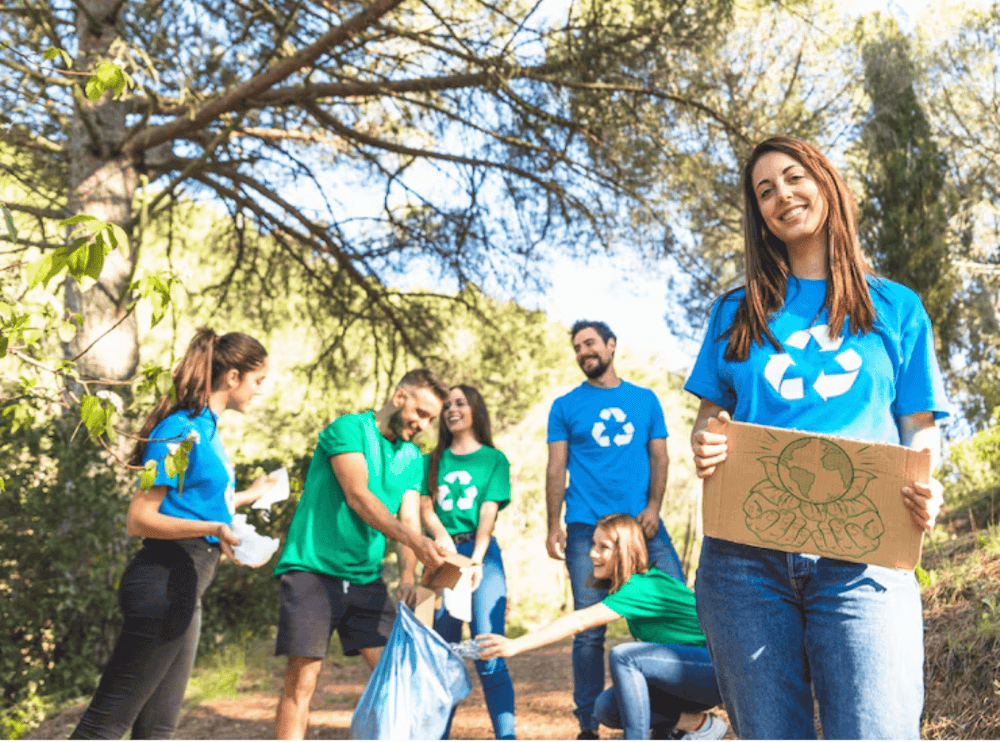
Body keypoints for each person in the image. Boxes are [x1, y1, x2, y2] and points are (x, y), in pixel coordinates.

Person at [686, 136, 949, 739]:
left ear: (825, 181)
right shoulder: (735, 311)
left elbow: (919, 426)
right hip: (744, 559)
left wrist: (924, 486)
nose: (783, 195)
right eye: (765, 191)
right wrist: (707, 441)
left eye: (794, 177)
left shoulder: (896, 307)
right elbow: (710, 416)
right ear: (759, 215)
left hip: (864, 552)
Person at [72, 328, 274, 740]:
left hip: (186, 587)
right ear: (232, 377)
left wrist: (250, 497)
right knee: (106, 724)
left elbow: (199, 506)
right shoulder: (180, 428)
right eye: (258, 381)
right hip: (161, 582)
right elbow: (141, 518)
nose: (260, 392)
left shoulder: (209, 431)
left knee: (158, 729)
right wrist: (215, 528)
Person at [272, 368, 451, 740]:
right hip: (312, 571)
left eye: (430, 420)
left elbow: (408, 520)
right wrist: (417, 544)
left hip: (366, 579)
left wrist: (406, 577)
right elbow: (359, 496)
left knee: (396, 678)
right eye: (420, 412)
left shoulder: (410, 457)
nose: (422, 424)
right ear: (400, 397)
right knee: (302, 681)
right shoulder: (349, 429)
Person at [546, 319, 686, 739]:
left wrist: (654, 506)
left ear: (611, 346)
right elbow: (556, 467)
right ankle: (588, 726)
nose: (583, 351)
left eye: (590, 343)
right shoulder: (565, 405)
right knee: (588, 630)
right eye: (577, 346)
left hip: (644, 526)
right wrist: (553, 523)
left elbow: (660, 457)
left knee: (677, 606)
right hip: (588, 528)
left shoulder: (644, 400)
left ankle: (673, 716)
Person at [478, 514, 725, 741]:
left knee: (625, 657)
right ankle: (701, 725)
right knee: (608, 707)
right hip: (689, 675)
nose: (593, 554)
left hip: (715, 671)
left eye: (603, 547)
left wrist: (515, 645)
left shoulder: (643, 587)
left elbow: (579, 621)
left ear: (626, 551)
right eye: (594, 545)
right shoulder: (633, 588)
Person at [420, 384, 516, 739]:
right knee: (438, 655)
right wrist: (441, 538)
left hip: (482, 557)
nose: (451, 409)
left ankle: (506, 735)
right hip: (439, 558)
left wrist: (474, 561)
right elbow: (425, 506)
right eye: (446, 405)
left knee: (488, 649)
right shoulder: (430, 459)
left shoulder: (495, 459)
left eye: (459, 403)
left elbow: (488, 513)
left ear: (475, 409)